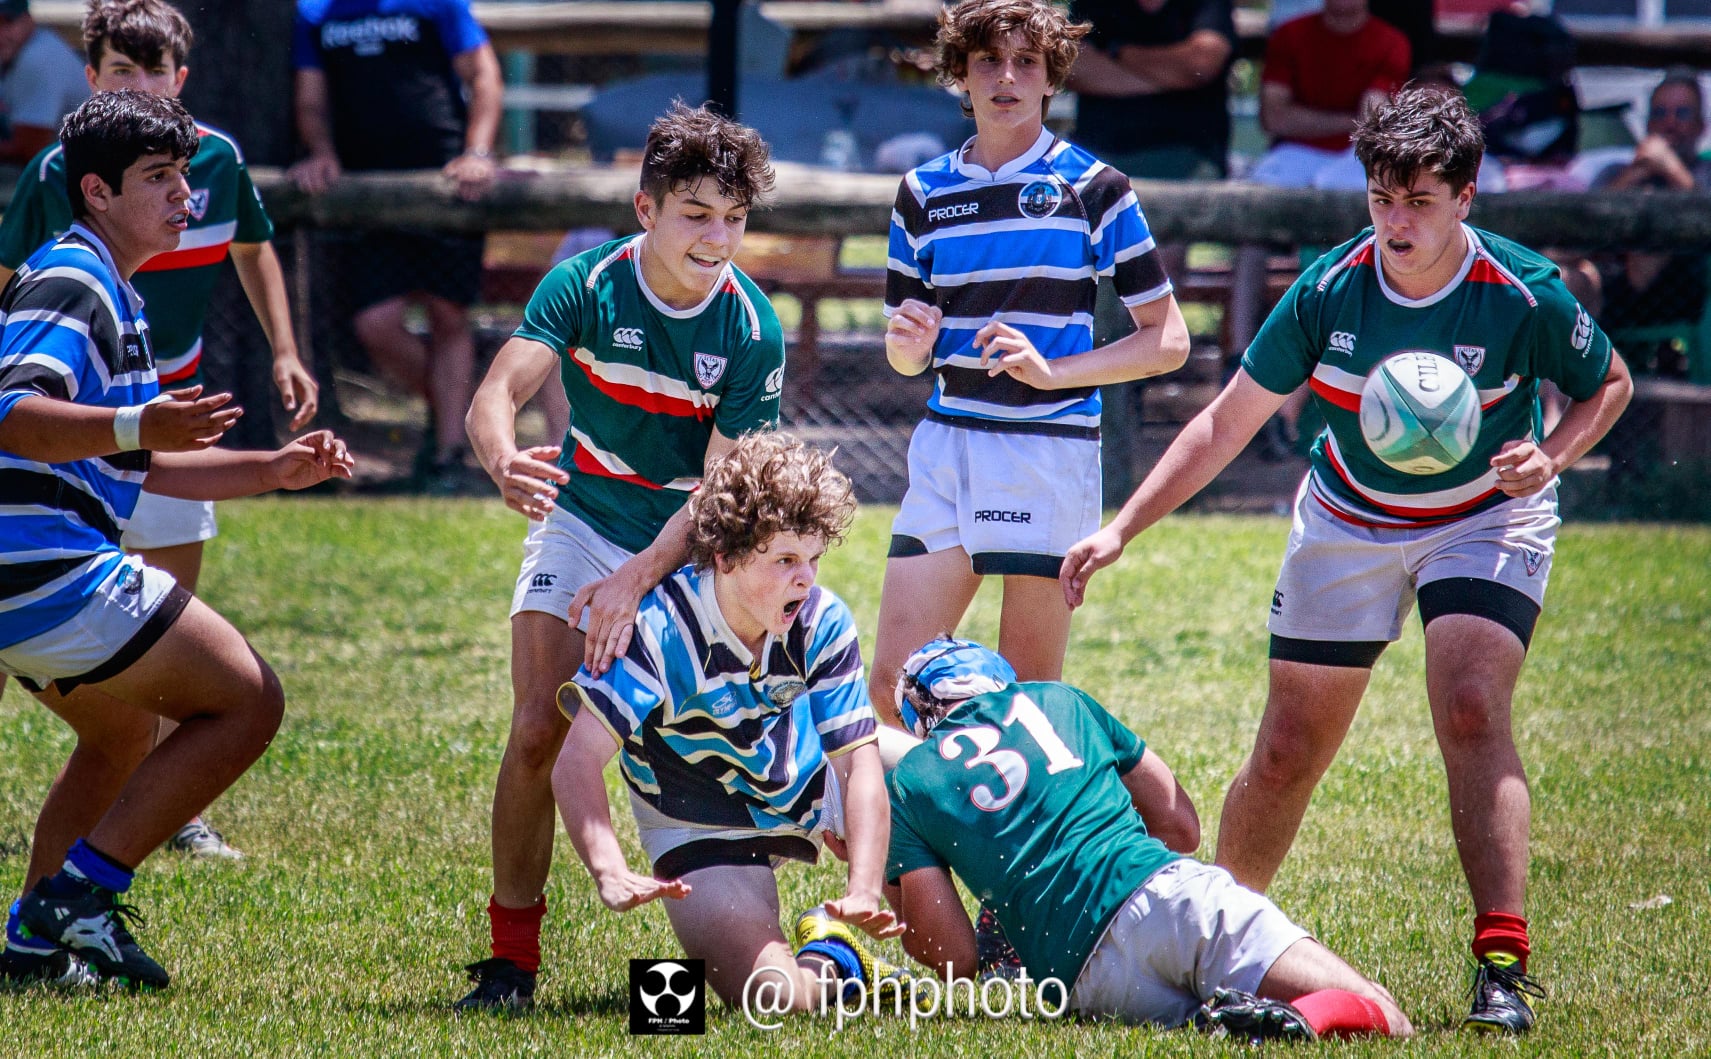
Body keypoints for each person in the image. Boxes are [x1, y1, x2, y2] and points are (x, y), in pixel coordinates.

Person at [1061, 87, 1633, 1035]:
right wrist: (1124, 526)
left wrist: (1552, 453)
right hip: (1347, 516)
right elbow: (1223, 423)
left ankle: (1500, 962)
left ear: (1465, 196)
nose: (1395, 221)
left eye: (1417, 200)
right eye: (1379, 198)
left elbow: (1605, 382)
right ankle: (1219, 950)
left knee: (1469, 703)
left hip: (1483, 517)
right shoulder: (1328, 289)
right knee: (1285, 749)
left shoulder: (1522, 292)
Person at [0, 90, 353, 989]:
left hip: (33, 567)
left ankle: (34, 951)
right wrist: (133, 422)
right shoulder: (73, 276)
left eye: (184, 177)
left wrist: (272, 468)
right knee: (248, 700)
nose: (183, 197)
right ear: (97, 190)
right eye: (158, 178)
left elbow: (143, 465)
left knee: (122, 734)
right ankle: (77, 895)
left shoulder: (117, 285)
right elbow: (14, 412)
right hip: (41, 563)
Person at [458, 102, 786, 1012]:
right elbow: (499, 390)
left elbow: (720, 497)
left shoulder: (752, 330)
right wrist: (502, 461)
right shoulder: (586, 283)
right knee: (537, 728)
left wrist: (638, 580)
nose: (717, 237)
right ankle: (510, 962)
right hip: (582, 520)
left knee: (694, 756)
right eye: (696, 213)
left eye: (734, 217)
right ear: (646, 210)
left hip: (687, 552)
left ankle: (788, 939)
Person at [872, 0, 1190, 722]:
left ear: (1052, 79)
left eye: (1026, 62)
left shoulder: (1097, 187)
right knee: (891, 686)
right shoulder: (921, 193)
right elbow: (904, 356)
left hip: (1047, 451)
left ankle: (1015, 831)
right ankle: (922, 832)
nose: (1006, 76)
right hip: (946, 446)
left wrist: (1054, 374)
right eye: (988, 60)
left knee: (1024, 705)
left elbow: (1167, 340)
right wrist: (907, 345)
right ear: (960, 74)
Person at [881, 637, 1413, 1040]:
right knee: (1383, 1013)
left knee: (1208, 1016)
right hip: (1161, 899)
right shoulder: (1058, 699)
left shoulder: (910, 780)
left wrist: (890, 872)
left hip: (1088, 984)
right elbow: (1181, 826)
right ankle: (1301, 1019)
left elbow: (951, 953)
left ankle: (1261, 1021)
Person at [556, 432, 904, 1013]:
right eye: (786, 560)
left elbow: (860, 765)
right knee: (778, 1001)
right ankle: (836, 955)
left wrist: (864, 886)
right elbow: (576, 762)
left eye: (814, 558)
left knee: (943, 776)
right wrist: (609, 870)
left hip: (802, 777)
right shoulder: (657, 627)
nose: (806, 579)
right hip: (695, 819)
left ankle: (1012, 955)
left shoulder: (820, 620)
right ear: (726, 556)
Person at [289, 0, 503, 493]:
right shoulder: (315, 12)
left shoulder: (438, 2)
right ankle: (468, 412)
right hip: (367, 193)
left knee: (449, 316)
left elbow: (484, 74)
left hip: (447, 184)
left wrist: (477, 151)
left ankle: (449, 459)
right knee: (376, 325)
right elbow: (311, 100)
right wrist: (321, 153)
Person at [1230, 0, 1409, 455]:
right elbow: (1277, 118)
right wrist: (1343, 119)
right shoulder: (1291, 35)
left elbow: (1374, 124)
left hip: (1354, 161)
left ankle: (1334, 346)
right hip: (1293, 154)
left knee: (1346, 234)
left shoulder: (1390, 40)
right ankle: (1238, 346)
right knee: (1249, 221)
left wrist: (1325, 121)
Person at [1591, 70, 1711, 378]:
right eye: (1660, 113)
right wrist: (1638, 172)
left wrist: (1670, 169)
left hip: (1689, 292)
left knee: (1657, 228)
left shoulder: (1705, 174)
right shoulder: (1616, 173)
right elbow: (1583, 221)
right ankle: (1551, 403)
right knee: (1566, 278)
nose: (1670, 122)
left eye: (1682, 113)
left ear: (1701, 126)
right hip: (1610, 292)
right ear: (1647, 125)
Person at [0, 0, 88, 164]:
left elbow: (31, 151)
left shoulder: (39, 59)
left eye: (8, 21)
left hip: (77, 175)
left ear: (28, 20)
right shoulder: (14, 50)